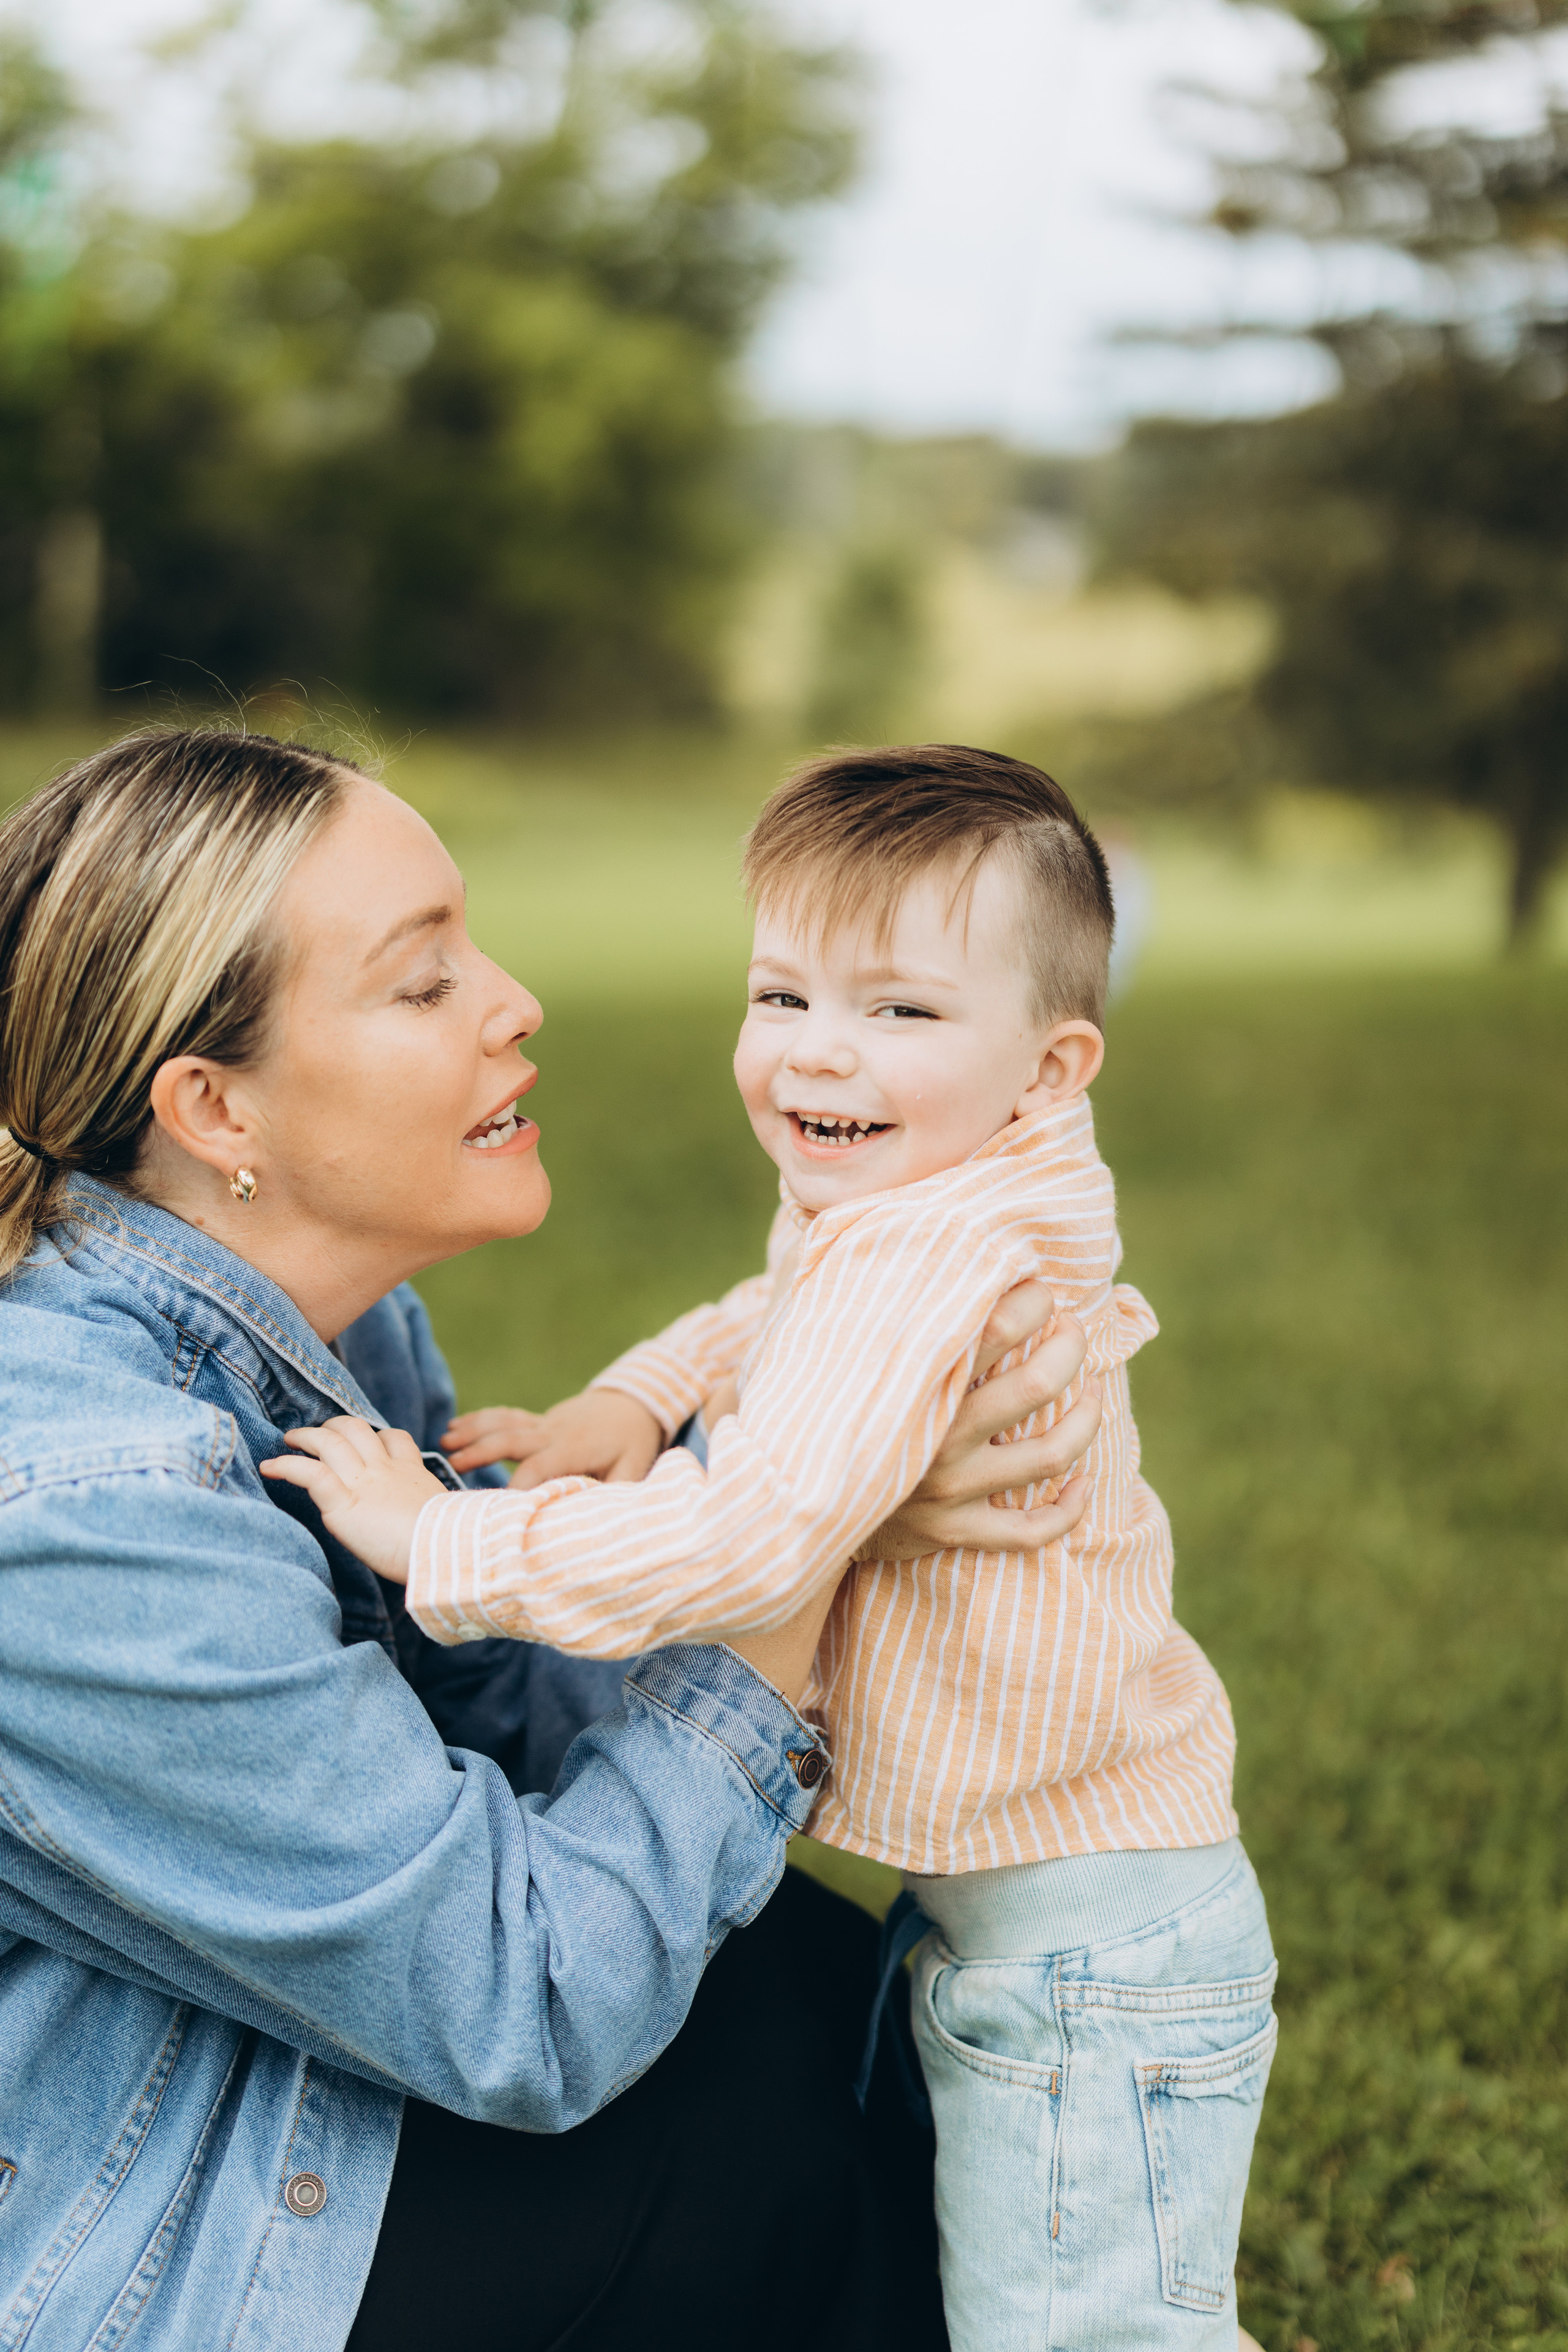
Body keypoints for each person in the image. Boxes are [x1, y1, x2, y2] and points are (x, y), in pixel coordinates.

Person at [0, 729, 1100, 2352]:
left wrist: (828, 1453)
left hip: (285, 2010)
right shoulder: (85, 1514)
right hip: (138, 2224)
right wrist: (804, 1534)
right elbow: (529, 2002)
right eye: (422, 981)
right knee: (752, 2136)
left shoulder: (325, 1328)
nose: (515, 1003)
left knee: (816, 1983)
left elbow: (513, 1731)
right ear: (214, 1107)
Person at [269, 744, 1276, 2352]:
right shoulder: (927, 1188)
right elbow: (781, 1312)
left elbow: (749, 1542)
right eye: (784, 995)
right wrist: (639, 1397)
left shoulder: (927, 1251)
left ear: (1051, 1066)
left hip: (1086, 1949)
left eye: (902, 1009)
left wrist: (443, 1535)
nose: (822, 1050)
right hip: (1052, 1906)